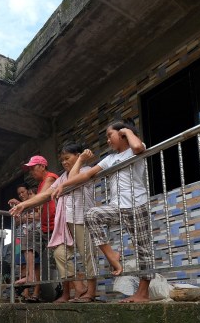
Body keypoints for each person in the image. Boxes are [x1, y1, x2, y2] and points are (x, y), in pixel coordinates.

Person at [58, 119, 151, 303]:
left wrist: (127, 131)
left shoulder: (134, 148)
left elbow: (138, 147)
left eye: (110, 135)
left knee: (143, 249)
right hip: (117, 206)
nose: (107, 140)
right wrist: (61, 186)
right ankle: (111, 255)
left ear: (123, 133)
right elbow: (85, 175)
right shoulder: (109, 159)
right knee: (92, 215)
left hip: (137, 204)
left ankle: (143, 293)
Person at [11, 143, 97, 302]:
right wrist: (24, 204)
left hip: (82, 218)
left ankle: (90, 292)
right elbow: (45, 195)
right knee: (60, 254)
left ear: (78, 156)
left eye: (67, 158)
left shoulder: (85, 170)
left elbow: (73, 179)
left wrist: (81, 160)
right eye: (62, 160)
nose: (64, 162)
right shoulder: (63, 177)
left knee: (87, 255)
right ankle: (79, 288)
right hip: (65, 222)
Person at [8, 156, 57, 302]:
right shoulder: (41, 183)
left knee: (60, 258)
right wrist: (22, 204)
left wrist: (23, 204)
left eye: (33, 168)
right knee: (28, 240)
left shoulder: (50, 177)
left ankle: (74, 291)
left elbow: (42, 197)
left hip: (54, 224)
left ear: (42, 166)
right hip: (43, 226)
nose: (31, 172)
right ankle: (29, 277)